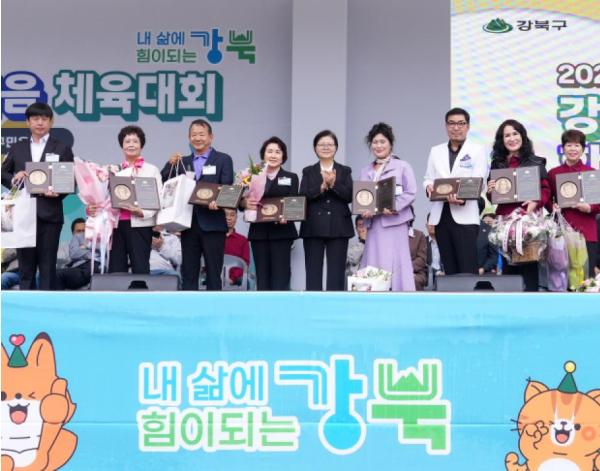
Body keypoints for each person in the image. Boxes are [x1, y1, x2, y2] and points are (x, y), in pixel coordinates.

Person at [1, 102, 74, 289]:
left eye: (44, 119)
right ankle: (25, 305)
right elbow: (3, 173)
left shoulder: (62, 148)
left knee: (48, 267)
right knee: (25, 269)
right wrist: (15, 178)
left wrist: (58, 192)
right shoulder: (18, 148)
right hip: (23, 215)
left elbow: (70, 180)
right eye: (35, 119)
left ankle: (46, 306)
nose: (40, 122)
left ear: (50, 122)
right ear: (28, 122)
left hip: (50, 215)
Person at [160, 119, 233, 290]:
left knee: (213, 272)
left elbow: (227, 186)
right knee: (189, 271)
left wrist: (219, 202)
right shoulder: (182, 161)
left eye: (201, 134)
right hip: (188, 224)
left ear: (211, 137)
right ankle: (188, 305)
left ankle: (213, 305)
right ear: (189, 138)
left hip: (213, 223)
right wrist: (169, 164)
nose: (197, 138)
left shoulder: (223, 159)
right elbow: (165, 181)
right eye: (193, 135)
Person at [487, 119, 551, 291]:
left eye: (515, 133)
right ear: (502, 140)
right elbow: (493, 196)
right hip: (505, 223)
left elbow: (546, 190)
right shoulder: (497, 163)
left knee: (529, 268)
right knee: (508, 270)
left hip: (528, 220)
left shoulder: (536, 162)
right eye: (507, 135)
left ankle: (530, 303)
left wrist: (535, 201)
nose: (512, 138)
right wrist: (490, 190)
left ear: (522, 136)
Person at [423, 107, 488, 276]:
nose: (456, 127)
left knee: (467, 267)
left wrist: (463, 198)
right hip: (441, 215)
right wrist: (429, 187)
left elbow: (479, 180)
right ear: (446, 126)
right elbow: (428, 178)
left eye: (461, 123)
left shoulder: (477, 150)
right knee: (449, 267)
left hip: (465, 215)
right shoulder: (435, 150)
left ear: (468, 126)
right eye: (451, 123)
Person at [88, 125, 162, 274]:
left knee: (140, 267)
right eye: (127, 141)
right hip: (115, 225)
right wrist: (92, 208)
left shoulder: (151, 170)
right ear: (122, 146)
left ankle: (140, 289)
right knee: (116, 268)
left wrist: (142, 212)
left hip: (140, 224)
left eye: (135, 141)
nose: (131, 145)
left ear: (141, 145)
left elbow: (158, 197)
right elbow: (102, 197)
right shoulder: (112, 170)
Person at [359, 122, 416, 291]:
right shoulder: (365, 170)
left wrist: (394, 206)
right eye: (375, 142)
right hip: (374, 225)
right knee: (375, 262)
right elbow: (363, 197)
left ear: (390, 143)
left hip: (395, 224)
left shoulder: (402, 166)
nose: (379, 146)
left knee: (397, 264)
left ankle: (401, 298)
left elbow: (411, 192)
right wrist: (364, 211)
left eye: (382, 141)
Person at [300, 130, 354, 290]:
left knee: (336, 273)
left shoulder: (345, 170)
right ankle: (313, 302)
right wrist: (322, 187)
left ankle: (335, 303)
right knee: (313, 272)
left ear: (336, 147)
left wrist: (334, 184)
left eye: (330, 144)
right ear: (315, 148)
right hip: (313, 226)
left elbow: (349, 196)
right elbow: (302, 196)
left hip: (339, 226)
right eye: (321, 144)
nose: (326, 147)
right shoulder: (308, 171)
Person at [244, 136, 298, 290]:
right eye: (270, 151)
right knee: (262, 278)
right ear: (263, 154)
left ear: (283, 156)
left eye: (278, 152)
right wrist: (244, 203)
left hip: (282, 232)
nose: (273, 155)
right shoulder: (252, 175)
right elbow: (241, 200)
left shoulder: (291, 177)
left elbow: (293, 203)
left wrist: (288, 215)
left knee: (281, 277)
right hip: (259, 233)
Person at [547, 129, 599, 278]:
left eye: (577, 145)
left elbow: (598, 203)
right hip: (561, 233)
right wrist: (552, 207)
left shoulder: (591, 173)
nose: (573, 149)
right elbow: (546, 199)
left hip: (587, 233)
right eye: (569, 145)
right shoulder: (554, 173)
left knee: (586, 278)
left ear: (583, 149)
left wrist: (589, 207)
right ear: (563, 148)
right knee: (562, 277)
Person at [55, 218, 100, 290]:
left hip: (91, 267)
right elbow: (73, 253)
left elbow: (99, 253)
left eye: (84, 231)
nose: (82, 233)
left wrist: (86, 247)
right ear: (73, 233)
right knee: (55, 274)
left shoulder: (92, 241)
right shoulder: (63, 246)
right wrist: (89, 254)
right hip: (75, 270)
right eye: (79, 231)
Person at [224, 208, 250, 286]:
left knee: (246, 281)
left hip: (236, 279)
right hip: (215, 277)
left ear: (236, 218)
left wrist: (233, 278)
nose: (228, 218)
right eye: (225, 215)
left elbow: (245, 263)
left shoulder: (243, 240)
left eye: (232, 215)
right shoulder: (214, 239)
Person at [408, 208, 428, 291]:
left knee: (412, 281)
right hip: (395, 273)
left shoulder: (419, 235)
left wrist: (407, 269)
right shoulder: (393, 236)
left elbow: (422, 259)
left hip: (416, 272)